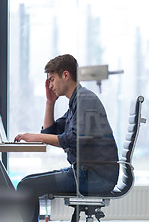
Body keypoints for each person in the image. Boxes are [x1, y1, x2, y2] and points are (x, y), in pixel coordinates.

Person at [14, 54, 119, 222]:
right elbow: (51, 132)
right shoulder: (77, 102)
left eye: (52, 79)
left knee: (26, 186)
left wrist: (33, 136)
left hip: (95, 178)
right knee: (26, 182)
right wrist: (50, 102)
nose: (50, 85)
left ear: (65, 75)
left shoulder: (85, 99)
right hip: (85, 173)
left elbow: (74, 139)